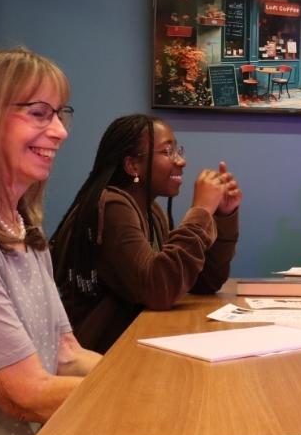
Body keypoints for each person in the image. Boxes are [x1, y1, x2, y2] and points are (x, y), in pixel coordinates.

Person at [0, 47, 101, 435]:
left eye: (59, 114)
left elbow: (66, 354)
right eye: (38, 113)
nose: (60, 132)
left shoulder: (25, 231)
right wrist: (138, 395)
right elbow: (24, 393)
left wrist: (150, 378)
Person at [50, 114, 241, 353]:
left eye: (178, 150)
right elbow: (158, 289)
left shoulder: (152, 212)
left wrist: (223, 216)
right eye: (167, 151)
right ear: (132, 165)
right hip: (98, 358)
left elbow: (205, 282)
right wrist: (201, 211)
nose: (181, 161)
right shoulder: (112, 207)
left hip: (135, 342)